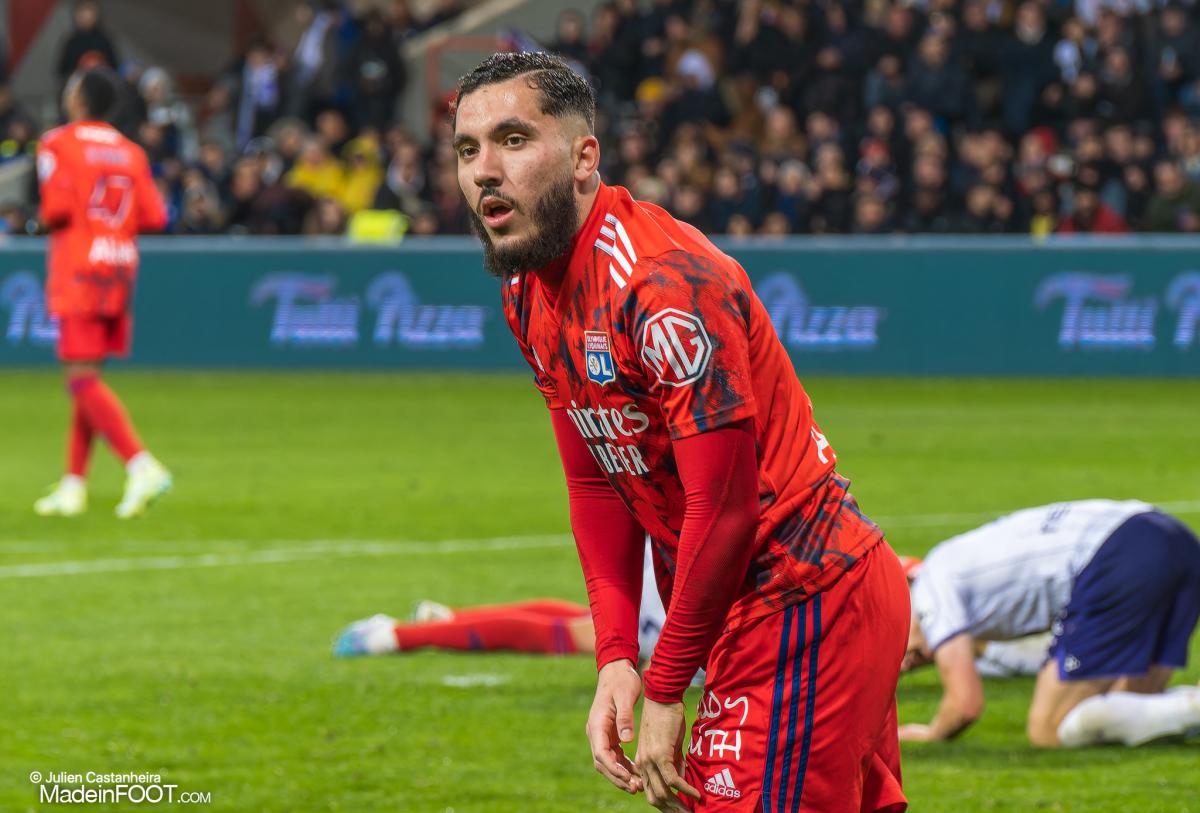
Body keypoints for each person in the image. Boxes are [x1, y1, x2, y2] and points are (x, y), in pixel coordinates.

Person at [452, 52, 909, 812]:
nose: (484, 171)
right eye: (468, 150)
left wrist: (666, 686)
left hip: (803, 597)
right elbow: (598, 476)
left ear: (583, 158)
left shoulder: (662, 287)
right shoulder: (528, 293)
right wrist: (616, 656)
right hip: (749, 607)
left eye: (513, 139)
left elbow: (724, 510)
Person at [901, 500, 1200, 747]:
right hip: (1170, 537)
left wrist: (932, 734)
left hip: (1117, 553)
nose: (907, 662)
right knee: (1132, 702)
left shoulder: (930, 590)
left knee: (1050, 730)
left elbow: (965, 705)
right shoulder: (958, 560)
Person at [33, 68, 172, 519]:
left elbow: (55, 209)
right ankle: (74, 487)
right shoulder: (130, 151)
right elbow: (154, 215)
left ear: (78, 100)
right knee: (87, 378)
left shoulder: (58, 142)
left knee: (79, 379)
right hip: (118, 266)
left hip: (78, 267)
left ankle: (140, 463)